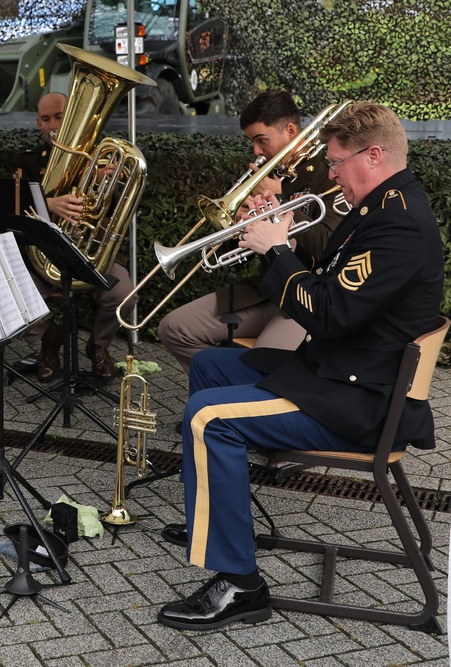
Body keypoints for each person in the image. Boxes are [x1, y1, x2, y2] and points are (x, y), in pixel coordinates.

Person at [157, 102, 443, 631]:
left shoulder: (398, 225)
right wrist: (282, 233)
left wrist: (276, 251)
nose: (330, 175)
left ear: (374, 155)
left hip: (362, 400)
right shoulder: (377, 206)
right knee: (213, 369)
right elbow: (327, 286)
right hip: (337, 371)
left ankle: (241, 585)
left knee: (207, 417)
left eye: (336, 164)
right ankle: (219, 516)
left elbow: (329, 314)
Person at [158, 91, 349, 373]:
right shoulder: (274, 174)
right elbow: (250, 252)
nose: (256, 152)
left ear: (291, 131)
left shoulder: (329, 170)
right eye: (252, 142)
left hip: (309, 296)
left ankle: (236, 406)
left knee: (261, 365)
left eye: (262, 140)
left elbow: (326, 245)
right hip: (269, 291)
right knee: (173, 328)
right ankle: (214, 398)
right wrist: (243, 226)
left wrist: (280, 204)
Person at [15, 91, 137, 383]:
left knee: (125, 296)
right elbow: (16, 209)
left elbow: (120, 206)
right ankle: (48, 340)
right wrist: (49, 204)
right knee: (14, 297)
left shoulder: (98, 158)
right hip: (43, 255)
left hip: (90, 253)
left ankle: (98, 346)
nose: (53, 124)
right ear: (38, 124)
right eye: (46, 119)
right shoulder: (29, 162)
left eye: (59, 116)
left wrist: (105, 182)